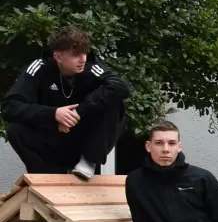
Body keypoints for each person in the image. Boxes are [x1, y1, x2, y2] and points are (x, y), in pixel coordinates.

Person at [3, 26, 131, 178]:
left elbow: (121, 87)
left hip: (82, 141)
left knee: (114, 104)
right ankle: (44, 175)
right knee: (15, 128)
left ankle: (88, 161)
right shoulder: (40, 68)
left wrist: (77, 113)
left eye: (84, 52)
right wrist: (54, 114)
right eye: (76, 55)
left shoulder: (91, 66)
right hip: (52, 140)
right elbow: (9, 107)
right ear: (58, 57)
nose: (83, 58)